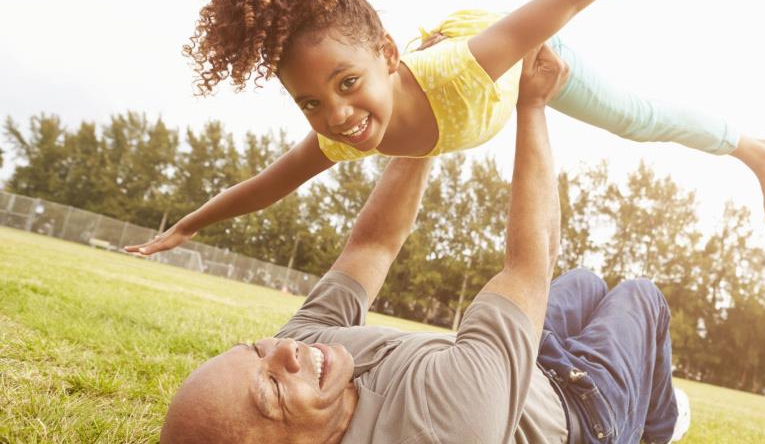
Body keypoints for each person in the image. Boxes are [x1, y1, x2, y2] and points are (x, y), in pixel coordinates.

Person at [126, 0, 765, 258]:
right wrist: (186, 226)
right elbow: (266, 186)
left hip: (507, 58)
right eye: (309, 103)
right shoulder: (338, 131)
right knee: (388, 135)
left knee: (633, 120)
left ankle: (757, 148)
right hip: (432, 75)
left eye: (347, 85)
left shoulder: (469, 66)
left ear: (385, 57)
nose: (336, 118)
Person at [160, 46, 689, 443]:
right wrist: (532, 106)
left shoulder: (299, 345)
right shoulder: (439, 426)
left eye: (255, 350)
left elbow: (373, 245)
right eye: (272, 389)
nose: (283, 352)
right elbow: (530, 264)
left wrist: (423, 117)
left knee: (588, 284)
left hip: (527, 366)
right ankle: (656, 430)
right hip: (579, 408)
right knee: (640, 297)